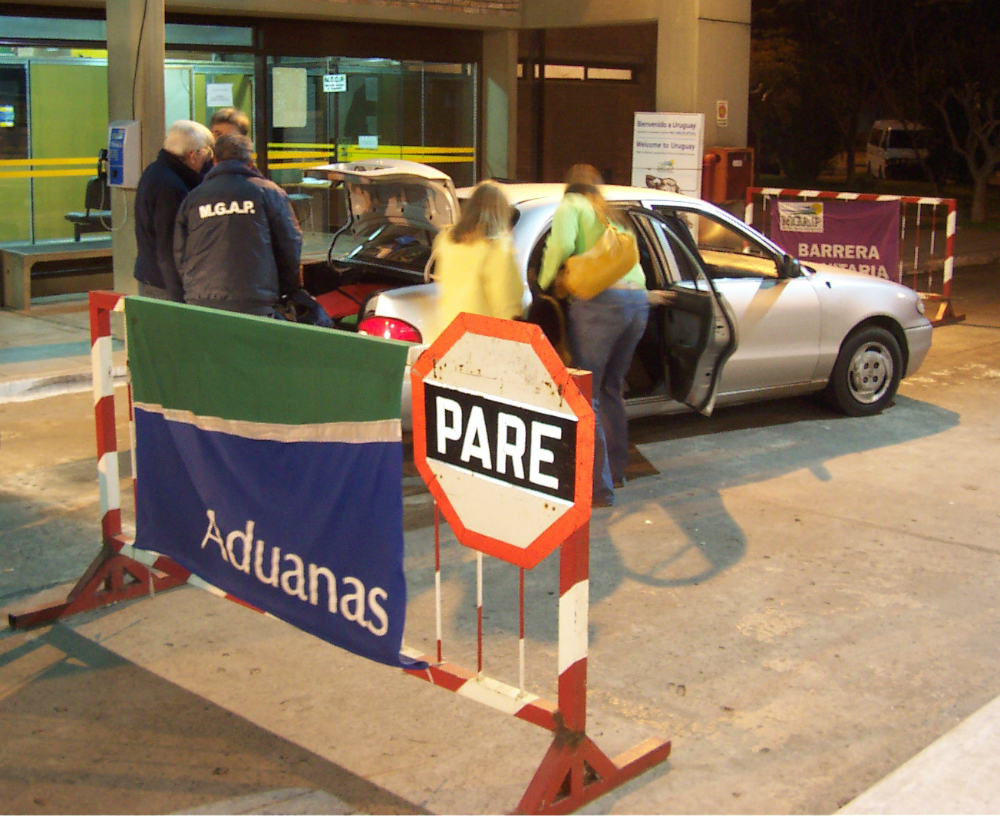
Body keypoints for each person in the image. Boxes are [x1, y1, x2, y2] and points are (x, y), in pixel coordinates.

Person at [538, 164, 675, 507]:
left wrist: (542, 285)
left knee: (588, 394)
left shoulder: (572, 206)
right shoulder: (610, 213)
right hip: (636, 304)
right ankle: (616, 471)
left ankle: (597, 489)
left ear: (572, 186)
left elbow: (560, 247)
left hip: (601, 303)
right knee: (612, 389)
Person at [173, 133, 302, 317]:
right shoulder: (268, 192)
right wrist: (285, 288)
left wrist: (192, 286)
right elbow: (290, 243)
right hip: (255, 300)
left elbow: (180, 251)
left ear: (215, 161)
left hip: (202, 299)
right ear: (250, 162)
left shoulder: (195, 197)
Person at [423, 180, 524, 338]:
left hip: (447, 333)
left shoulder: (446, 240)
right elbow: (506, 302)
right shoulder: (497, 247)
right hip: (482, 339)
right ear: (500, 213)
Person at [133, 120, 215, 302]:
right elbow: (169, 245)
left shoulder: (156, 171)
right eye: (207, 153)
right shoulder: (171, 188)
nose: (208, 160)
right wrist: (179, 295)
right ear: (193, 154)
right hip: (165, 285)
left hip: (153, 277)